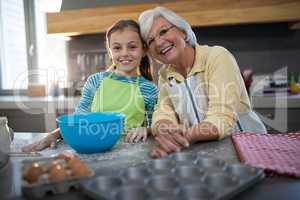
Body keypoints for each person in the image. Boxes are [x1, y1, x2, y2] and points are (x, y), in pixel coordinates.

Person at [138, 7, 267, 158]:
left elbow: (221, 118)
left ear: (183, 31)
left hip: (251, 150)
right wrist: (165, 130)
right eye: (150, 40)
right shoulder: (165, 75)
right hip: (209, 153)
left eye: (163, 31)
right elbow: (163, 112)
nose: (159, 42)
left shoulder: (216, 57)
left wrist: (183, 137)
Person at [22, 19, 158, 152]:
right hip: (92, 148)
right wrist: (53, 136)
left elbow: (156, 126)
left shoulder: (149, 89)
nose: (124, 53)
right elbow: (78, 119)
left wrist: (146, 129)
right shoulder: (95, 81)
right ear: (110, 51)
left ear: (144, 49)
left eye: (132, 47)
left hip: (129, 152)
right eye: (117, 48)